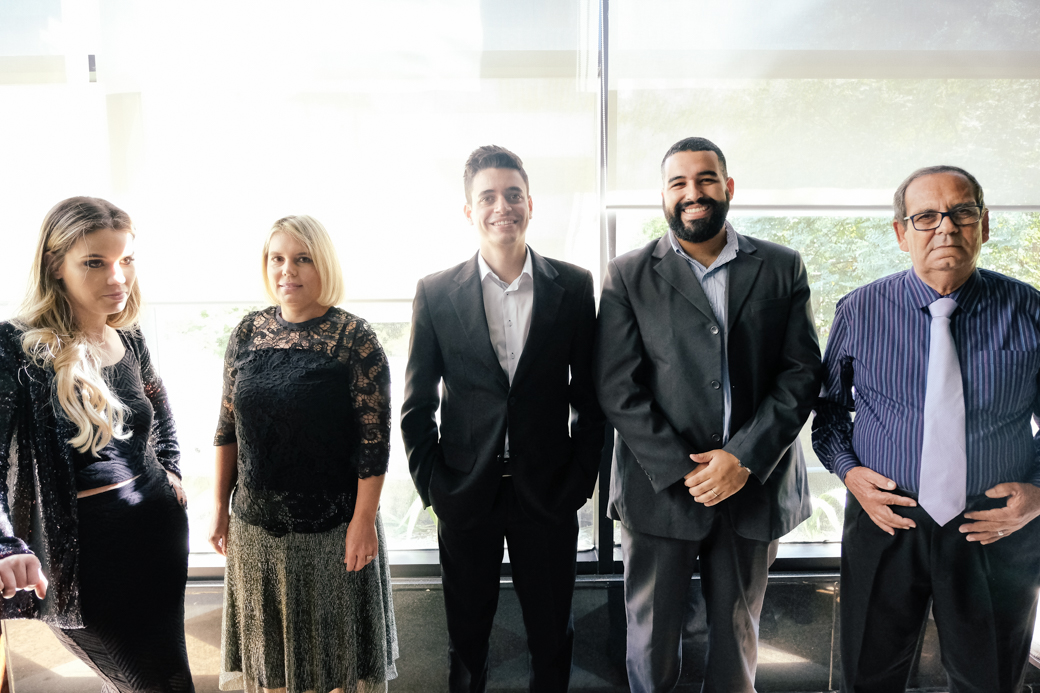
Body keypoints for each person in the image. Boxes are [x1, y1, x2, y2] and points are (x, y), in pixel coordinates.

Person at [596, 137, 821, 693]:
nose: (692, 193)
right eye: (678, 183)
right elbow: (617, 386)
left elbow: (799, 374)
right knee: (650, 645)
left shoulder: (782, 266)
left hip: (754, 486)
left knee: (738, 643)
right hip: (661, 491)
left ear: (728, 187)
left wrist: (741, 459)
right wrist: (685, 470)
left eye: (705, 179)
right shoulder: (627, 274)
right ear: (663, 196)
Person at [813, 165, 1040, 693]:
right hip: (886, 518)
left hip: (995, 526)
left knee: (991, 681)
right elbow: (827, 414)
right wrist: (849, 473)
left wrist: (1039, 492)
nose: (946, 227)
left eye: (962, 213)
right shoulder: (860, 310)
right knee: (870, 676)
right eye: (927, 217)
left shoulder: (1029, 309)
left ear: (985, 225)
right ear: (901, 233)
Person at [401, 145, 603, 692]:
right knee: (467, 643)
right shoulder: (435, 292)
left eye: (513, 195)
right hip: (466, 494)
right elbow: (416, 405)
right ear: (469, 210)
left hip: (548, 493)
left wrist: (579, 481)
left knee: (552, 638)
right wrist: (435, 488)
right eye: (487, 197)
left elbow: (590, 398)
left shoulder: (574, 286)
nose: (502, 207)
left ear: (530, 204)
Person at [0, 196, 194, 691]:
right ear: (55, 265)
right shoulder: (15, 346)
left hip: (158, 535)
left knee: (153, 678)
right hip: (88, 555)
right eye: (95, 263)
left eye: (125, 260)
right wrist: (4, 544)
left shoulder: (128, 337)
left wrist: (170, 466)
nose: (117, 278)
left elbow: (158, 405)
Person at [209, 215, 398, 693]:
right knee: (269, 667)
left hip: (332, 531)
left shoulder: (355, 338)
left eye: (302, 259)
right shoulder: (247, 332)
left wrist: (363, 522)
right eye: (277, 258)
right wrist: (219, 508)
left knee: (335, 668)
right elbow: (227, 427)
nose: (286, 270)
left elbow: (374, 443)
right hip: (255, 531)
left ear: (323, 264)